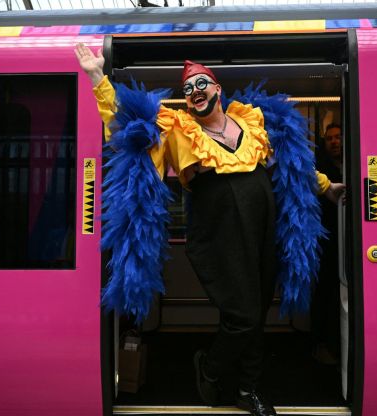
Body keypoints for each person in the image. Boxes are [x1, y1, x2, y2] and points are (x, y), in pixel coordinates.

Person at [75, 44, 343, 416]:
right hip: (217, 228)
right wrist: (96, 77)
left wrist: (325, 186)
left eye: (201, 84)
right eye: (187, 89)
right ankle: (211, 367)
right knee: (243, 313)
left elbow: (291, 163)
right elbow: (127, 125)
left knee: (258, 307)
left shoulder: (251, 121)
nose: (194, 91)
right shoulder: (179, 130)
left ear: (216, 88)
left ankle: (248, 388)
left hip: (261, 223)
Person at [311, 123, 343, 366]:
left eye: (338, 137)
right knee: (325, 293)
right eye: (329, 138)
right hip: (325, 240)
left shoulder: (355, 163)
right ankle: (323, 345)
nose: (334, 142)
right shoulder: (320, 170)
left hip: (347, 240)